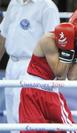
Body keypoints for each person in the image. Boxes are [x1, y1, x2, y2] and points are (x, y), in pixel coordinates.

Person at [19, 6, 77, 133]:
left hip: (51, 91)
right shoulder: (49, 39)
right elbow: (60, 74)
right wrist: (68, 50)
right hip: (32, 90)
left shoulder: (76, 43)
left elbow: (73, 77)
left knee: (68, 130)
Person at [0, 0, 60, 130]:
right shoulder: (13, 3)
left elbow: (54, 43)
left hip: (33, 66)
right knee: (12, 118)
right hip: (11, 64)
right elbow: (3, 34)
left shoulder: (47, 7)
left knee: (24, 117)